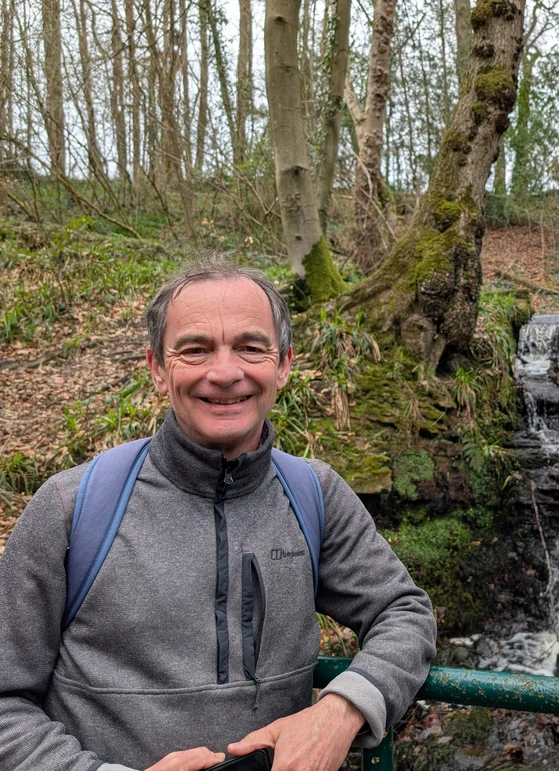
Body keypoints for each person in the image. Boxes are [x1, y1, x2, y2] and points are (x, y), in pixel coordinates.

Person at [0, 263, 437, 771]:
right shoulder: (71, 508)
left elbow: (405, 613)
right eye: (196, 349)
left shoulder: (313, 494)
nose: (226, 373)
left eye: (251, 347)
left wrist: (343, 709)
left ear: (285, 365)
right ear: (157, 368)